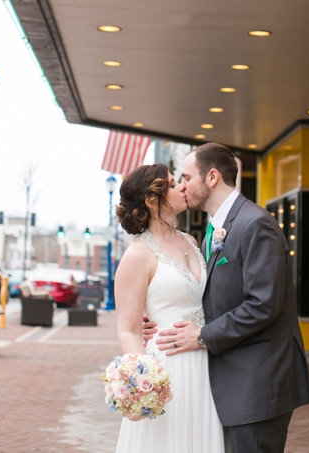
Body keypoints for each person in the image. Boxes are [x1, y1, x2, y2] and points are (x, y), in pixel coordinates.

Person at [156, 143, 309, 453]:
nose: (183, 185)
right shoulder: (215, 229)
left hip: (259, 380)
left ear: (212, 177)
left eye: (187, 177)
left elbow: (263, 305)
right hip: (235, 380)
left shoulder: (256, 224)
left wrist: (202, 336)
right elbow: (211, 297)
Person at [114, 163, 224, 453]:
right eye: (173, 185)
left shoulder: (190, 241)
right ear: (153, 201)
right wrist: (146, 380)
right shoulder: (138, 254)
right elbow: (127, 328)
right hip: (168, 365)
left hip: (204, 361)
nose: (182, 188)